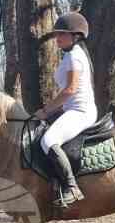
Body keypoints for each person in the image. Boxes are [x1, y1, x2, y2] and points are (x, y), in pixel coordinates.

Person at [33, 11, 97, 208]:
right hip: (72, 109)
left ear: (76, 36)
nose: (57, 37)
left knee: (48, 141)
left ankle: (71, 187)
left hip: (81, 111)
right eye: (57, 33)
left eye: (62, 34)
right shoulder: (70, 55)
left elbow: (70, 90)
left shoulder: (74, 57)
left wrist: (46, 111)